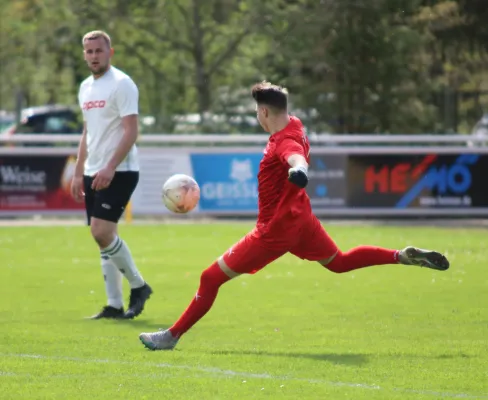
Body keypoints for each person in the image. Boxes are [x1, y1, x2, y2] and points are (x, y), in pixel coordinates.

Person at [139, 81, 449, 350]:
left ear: (263, 112)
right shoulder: (295, 124)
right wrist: (297, 170)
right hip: (302, 220)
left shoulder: (283, 141)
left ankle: (172, 335)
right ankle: (400, 256)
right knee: (338, 262)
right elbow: (295, 148)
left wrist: (299, 170)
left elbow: (295, 156)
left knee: (210, 278)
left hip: (274, 230)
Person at [71, 30, 152, 320]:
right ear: (84, 54)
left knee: (101, 231)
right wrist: (79, 171)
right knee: (104, 238)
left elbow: (131, 130)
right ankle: (114, 305)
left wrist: (110, 166)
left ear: (110, 52)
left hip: (120, 170)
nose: (94, 56)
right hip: (94, 171)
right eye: (89, 51)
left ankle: (139, 286)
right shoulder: (85, 87)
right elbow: (87, 132)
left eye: (99, 51)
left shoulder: (122, 84)